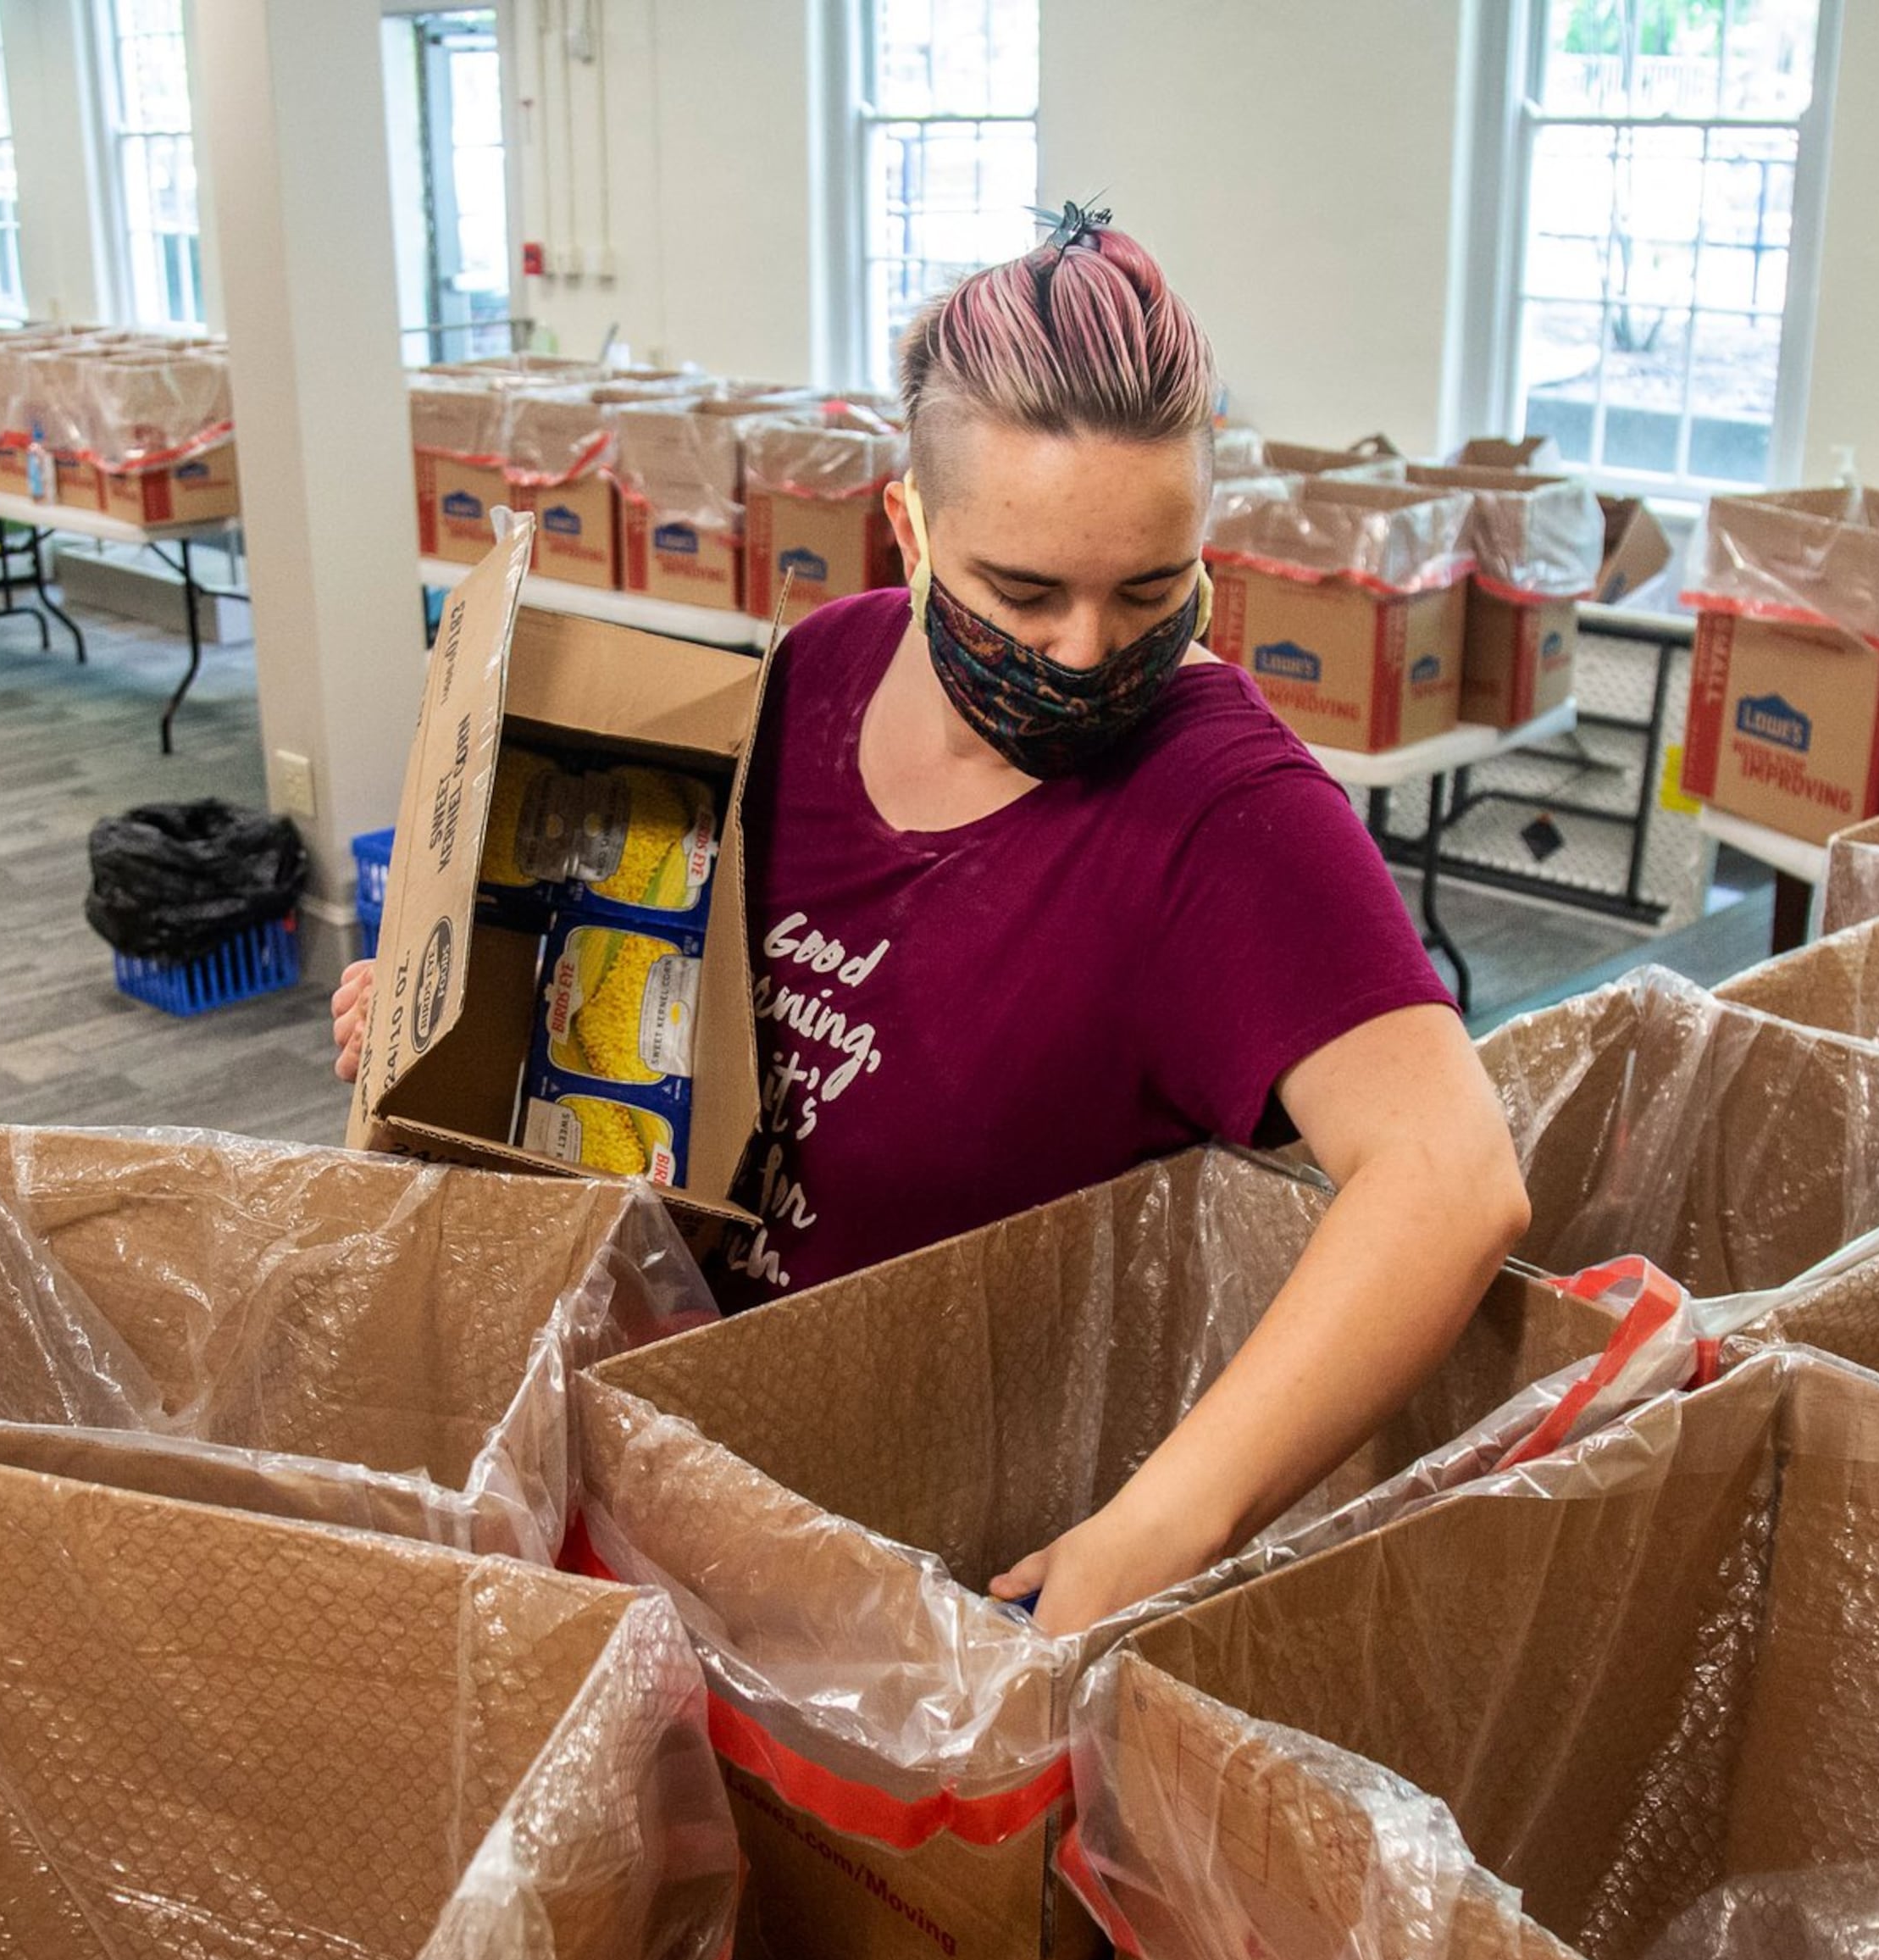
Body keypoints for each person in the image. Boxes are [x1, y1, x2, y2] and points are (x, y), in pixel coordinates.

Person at [337, 211, 1530, 1633]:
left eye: (1149, 587)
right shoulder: (826, 671)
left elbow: (1451, 1180)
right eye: (1021, 591)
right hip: (685, 1455)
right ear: (908, 526)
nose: (1087, 650)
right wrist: (446, 1030)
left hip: (941, 1571)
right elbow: (673, 988)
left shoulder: (1228, 815)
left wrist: (1164, 1519)